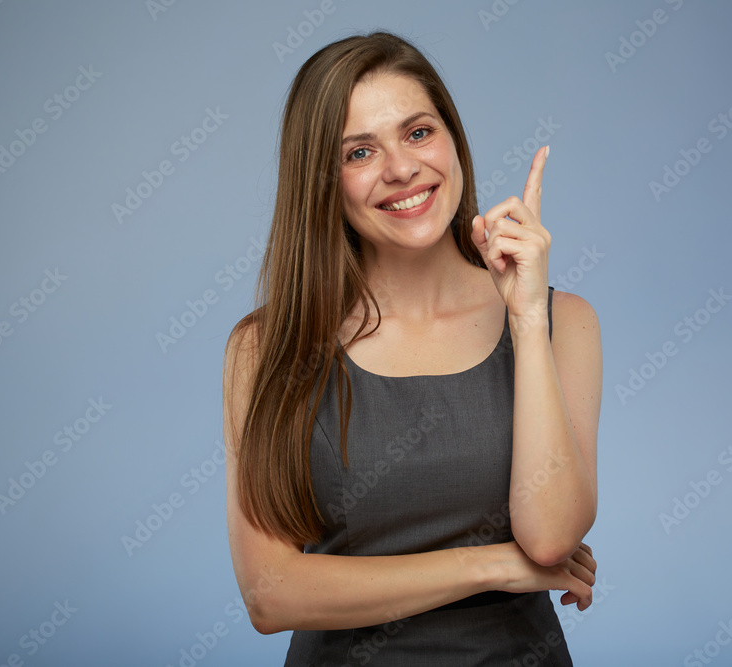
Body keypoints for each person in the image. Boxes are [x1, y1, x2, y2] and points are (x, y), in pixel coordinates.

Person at [222, 31, 602, 666]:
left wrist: (527, 319)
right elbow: (270, 594)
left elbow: (551, 537)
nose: (401, 168)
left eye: (418, 133)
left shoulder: (565, 320)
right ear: (324, 181)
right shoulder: (265, 347)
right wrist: (488, 566)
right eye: (360, 151)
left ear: (452, 139)